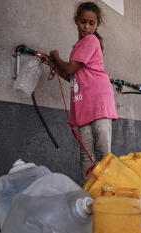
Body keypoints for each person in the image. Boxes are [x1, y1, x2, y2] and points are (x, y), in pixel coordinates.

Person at [38, 2, 117, 186]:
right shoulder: (78, 46)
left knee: (102, 155)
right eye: (83, 22)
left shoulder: (91, 41)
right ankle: (88, 198)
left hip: (99, 103)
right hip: (83, 107)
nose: (87, 27)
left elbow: (70, 67)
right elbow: (69, 74)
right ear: (76, 21)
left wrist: (56, 57)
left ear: (97, 25)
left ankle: (107, 199)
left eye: (91, 23)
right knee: (86, 156)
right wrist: (51, 63)